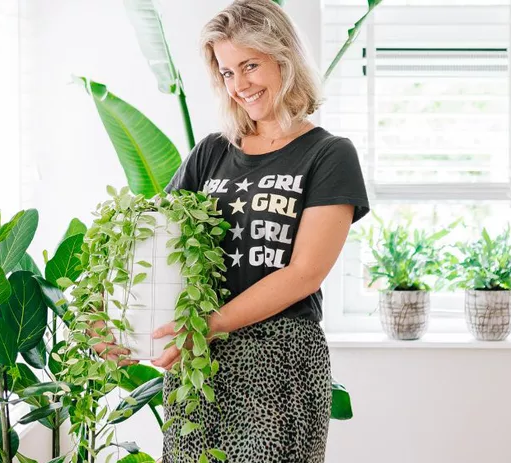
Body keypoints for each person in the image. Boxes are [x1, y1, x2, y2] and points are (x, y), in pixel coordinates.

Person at [95, 0, 370, 462]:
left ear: (283, 58)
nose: (239, 85)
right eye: (226, 72)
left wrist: (207, 325)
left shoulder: (328, 155)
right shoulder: (212, 153)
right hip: (199, 362)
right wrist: (111, 319)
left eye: (250, 65)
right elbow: (152, 238)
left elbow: (304, 273)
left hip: (278, 358)